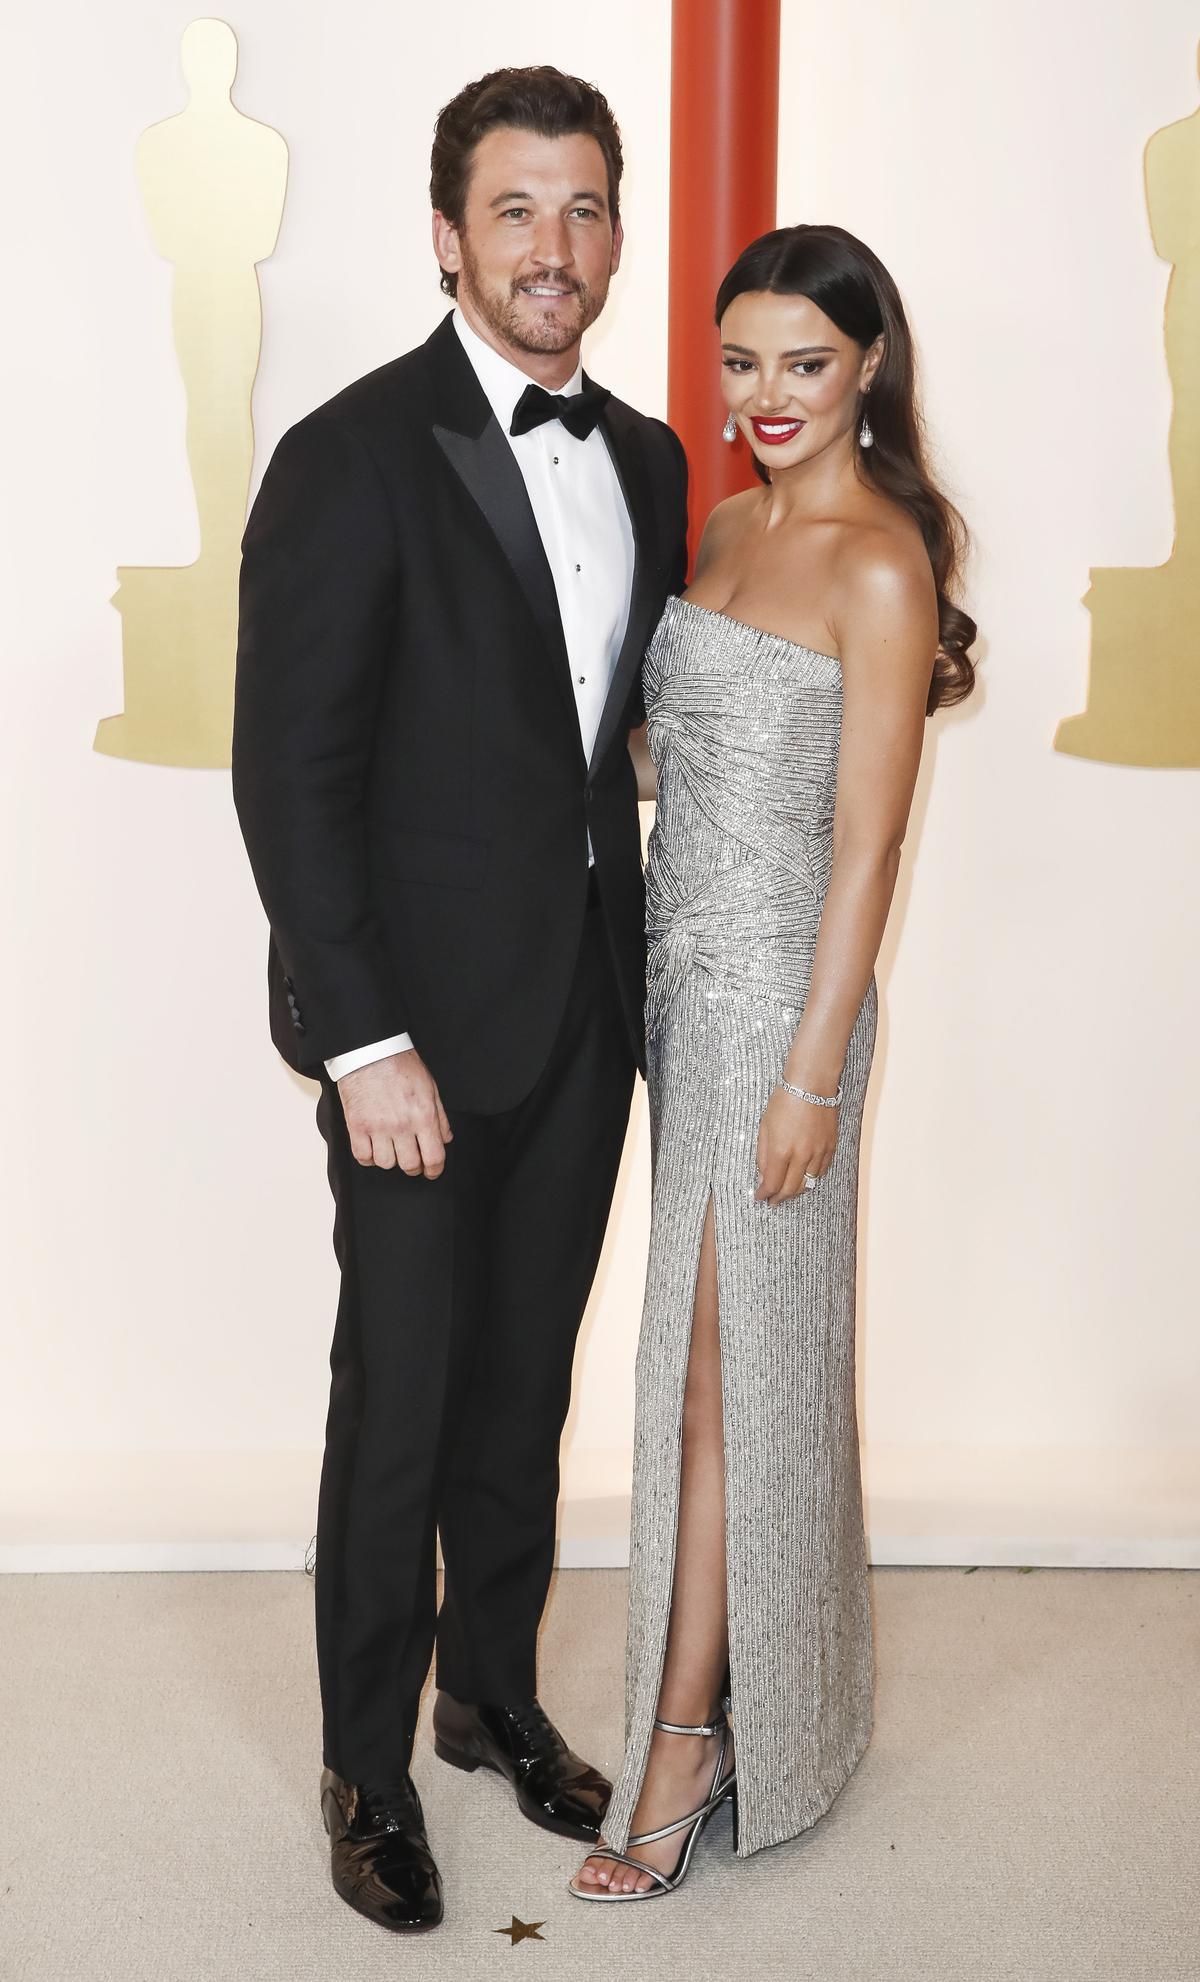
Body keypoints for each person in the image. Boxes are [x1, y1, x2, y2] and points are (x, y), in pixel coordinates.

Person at [231, 65, 689, 1934]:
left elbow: (597, 734)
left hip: (586, 1006)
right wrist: (361, 1043)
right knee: (400, 1401)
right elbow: (291, 773)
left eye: (585, 209)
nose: (555, 246)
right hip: (408, 1041)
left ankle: (489, 1691)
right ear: (447, 238)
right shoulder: (347, 456)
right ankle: (365, 1762)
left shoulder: (652, 457)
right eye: (517, 209)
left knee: (522, 1386)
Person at [570, 223, 976, 1902]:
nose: (766, 396)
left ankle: (689, 1740)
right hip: (680, 989)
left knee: (721, 1383)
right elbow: (690, 754)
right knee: (706, 1365)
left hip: (782, 1018)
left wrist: (814, 1074)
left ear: (867, 365)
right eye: (742, 362)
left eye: (804, 362)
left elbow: (872, 845)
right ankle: (764, 1696)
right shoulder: (727, 524)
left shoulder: (881, 561)